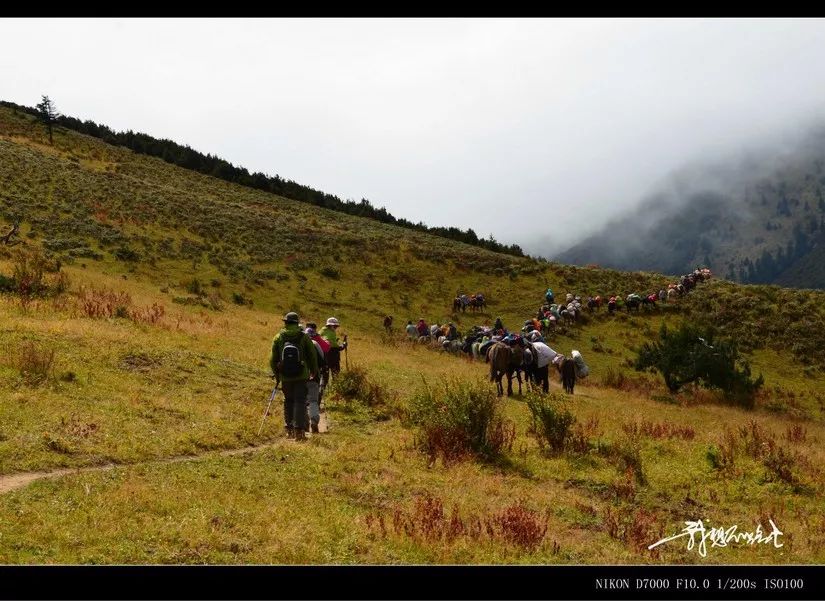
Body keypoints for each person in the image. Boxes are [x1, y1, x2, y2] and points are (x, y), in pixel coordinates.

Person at [270, 312, 318, 441]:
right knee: (300, 401)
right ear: (297, 323)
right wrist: (314, 370)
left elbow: (272, 359)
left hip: (285, 376)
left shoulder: (279, 337)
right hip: (301, 375)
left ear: (285, 322)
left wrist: (277, 374)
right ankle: (299, 431)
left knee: (288, 401)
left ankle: (289, 430)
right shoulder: (304, 337)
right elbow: (312, 355)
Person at [304, 324, 328, 434]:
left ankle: (304, 424)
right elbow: (322, 361)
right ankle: (314, 422)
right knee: (313, 401)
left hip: (300, 377)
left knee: (301, 401)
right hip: (314, 376)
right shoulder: (315, 344)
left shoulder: (299, 344)